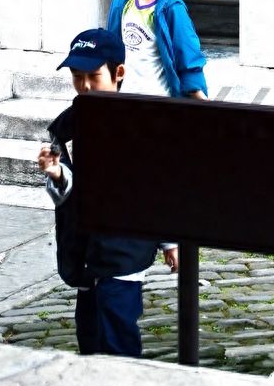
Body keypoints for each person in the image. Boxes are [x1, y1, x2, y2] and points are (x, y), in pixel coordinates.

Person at [37, 27, 178, 357]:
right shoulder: (68, 125)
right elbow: (66, 189)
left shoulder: (138, 125)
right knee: (88, 331)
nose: (84, 86)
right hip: (84, 249)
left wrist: (169, 241)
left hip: (124, 251)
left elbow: (155, 187)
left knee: (117, 332)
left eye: (93, 76)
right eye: (76, 76)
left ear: (118, 74)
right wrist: (57, 173)